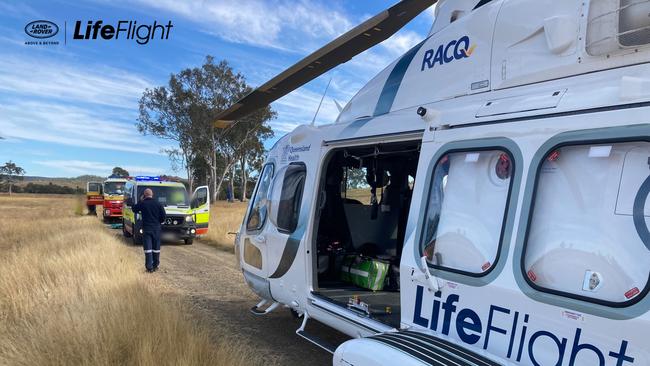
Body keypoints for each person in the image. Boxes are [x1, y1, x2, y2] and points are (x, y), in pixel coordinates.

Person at [132, 188, 166, 272]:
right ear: (152, 194)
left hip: (147, 229)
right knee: (156, 248)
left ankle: (149, 267)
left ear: (144, 195)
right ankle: (155, 265)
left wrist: (140, 201)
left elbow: (134, 209)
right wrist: (158, 222)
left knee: (148, 249)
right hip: (156, 229)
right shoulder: (158, 204)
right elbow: (163, 216)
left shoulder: (143, 203)